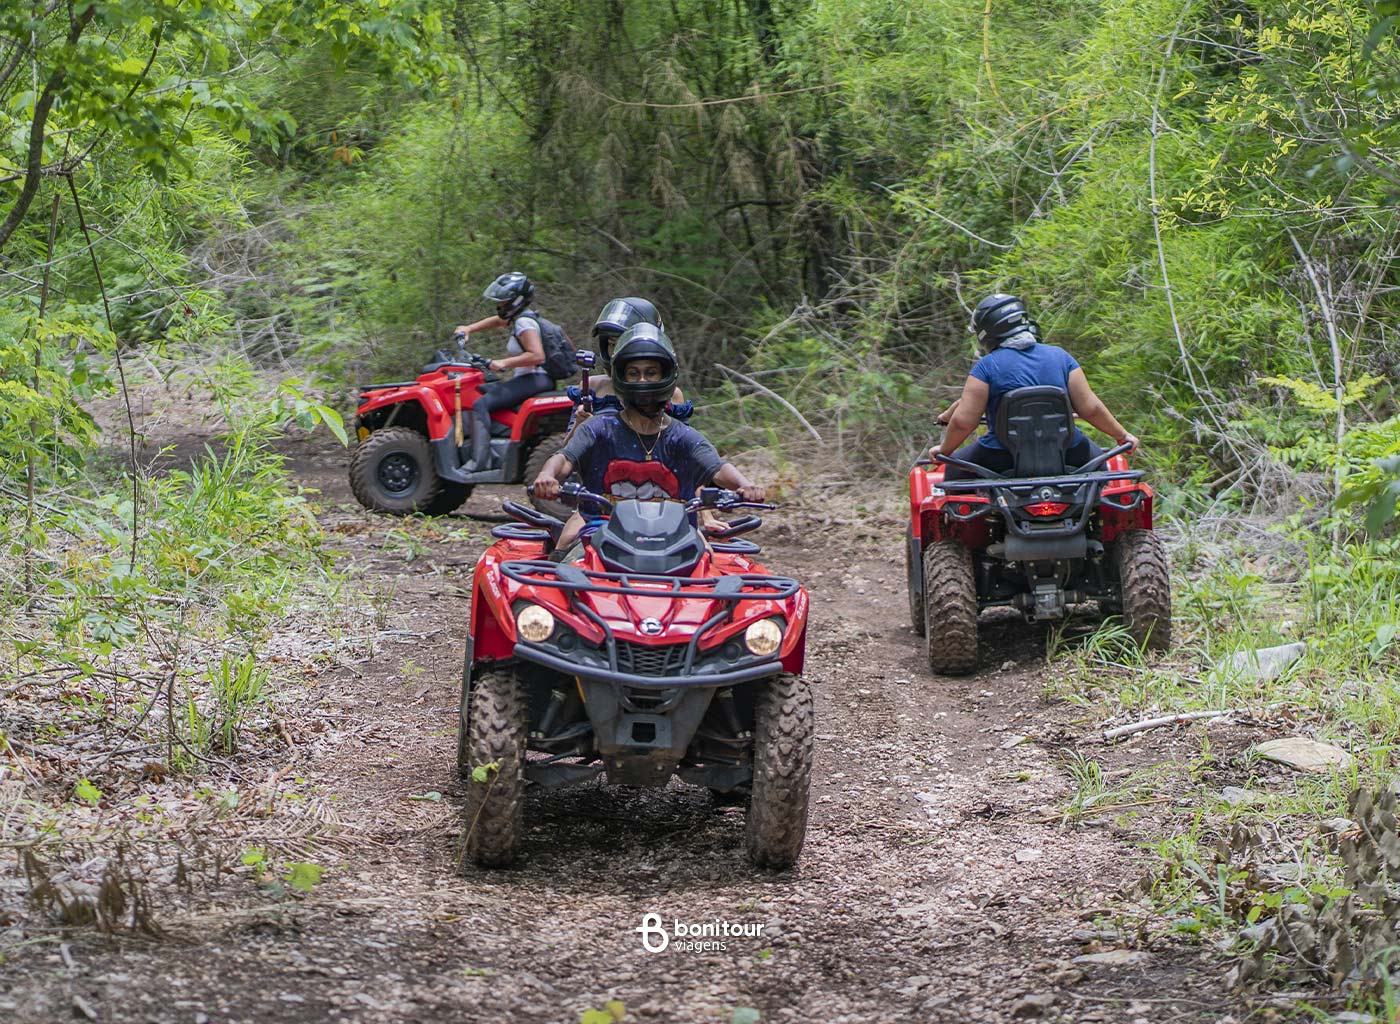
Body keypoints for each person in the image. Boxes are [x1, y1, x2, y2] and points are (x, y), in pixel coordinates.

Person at [533, 323, 763, 554]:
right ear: (622, 378)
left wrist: (745, 485)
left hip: (677, 537)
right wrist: (547, 475)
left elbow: (718, 469)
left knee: (708, 560)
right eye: (634, 373)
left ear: (665, 376)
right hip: (601, 529)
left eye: (650, 373)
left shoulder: (683, 436)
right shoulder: (598, 427)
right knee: (566, 559)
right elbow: (564, 458)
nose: (642, 380)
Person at [929, 293, 1139, 479]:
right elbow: (1090, 408)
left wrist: (945, 451)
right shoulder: (1061, 357)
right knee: (1101, 467)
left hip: (1001, 457)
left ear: (986, 332)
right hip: (1069, 451)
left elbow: (964, 422)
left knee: (954, 471)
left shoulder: (986, 368)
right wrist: (1122, 436)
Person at [453, 271, 555, 471]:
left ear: (516, 301)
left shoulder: (525, 323)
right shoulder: (519, 317)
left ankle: (480, 461)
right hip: (532, 377)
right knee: (485, 390)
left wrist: (503, 363)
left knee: (480, 405)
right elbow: (498, 321)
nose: (499, 305)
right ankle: (499, 443)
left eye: (503, 301)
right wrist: (469, 329)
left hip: (535, 378)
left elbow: (537, 355)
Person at [565, 296, 691, 437]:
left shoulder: (672, 395)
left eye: (623, 343)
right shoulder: (592, 387)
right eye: (612, 344)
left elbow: (685, 448)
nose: (615, 352)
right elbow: (566, 453)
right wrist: (580, 424)